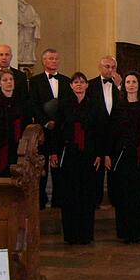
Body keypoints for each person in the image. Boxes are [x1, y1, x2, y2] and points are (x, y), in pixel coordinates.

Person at [50, 72, 104, 245]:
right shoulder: (63, 105)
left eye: (82, 82)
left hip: (89, 154)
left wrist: (99, 154)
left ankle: (86, 235)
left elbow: (100, 132)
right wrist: (54, 152)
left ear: (87, 85)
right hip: (69, 154)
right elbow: (56, 131)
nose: (79, 85)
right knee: (70, 195)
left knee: (87, 195)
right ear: (71, 86)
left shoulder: (95, 104)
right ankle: (71, 235)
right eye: (75, 82)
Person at [105, 72, 140, 244]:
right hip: (122, 156)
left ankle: (138, 232)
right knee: (123, 194)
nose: (131, 85)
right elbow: (111, 133)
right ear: (124, 85)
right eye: (128, 82)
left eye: (134, 81)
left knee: (139, 195)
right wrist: (108, 154)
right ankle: (125, 232)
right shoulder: (119, 107)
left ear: (139, 84)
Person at [29, 48, 73, 209]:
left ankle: (59, 201)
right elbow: (33, 105)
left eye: (56, 58)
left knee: (59, 167)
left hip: (61, 131)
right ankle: (40, 200)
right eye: (50, 59)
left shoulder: (66, 80)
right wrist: (46, 122)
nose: (54, 61)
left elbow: (68, 105)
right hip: (42, 132)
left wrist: (60, 122)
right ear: (44, 61)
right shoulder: (35, 81)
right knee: (41, 166)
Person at [86, 56, 121, 209]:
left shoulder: (121, 86)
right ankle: (95, 200)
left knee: (115, 168)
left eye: (113, 67)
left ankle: (115, 200)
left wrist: (120, 86)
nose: (110, 70)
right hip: (97, 133)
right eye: (107, 66)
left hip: (115, 134)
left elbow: (124, 106)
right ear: (100, 67)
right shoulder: (90, 85)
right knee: (97, 168)